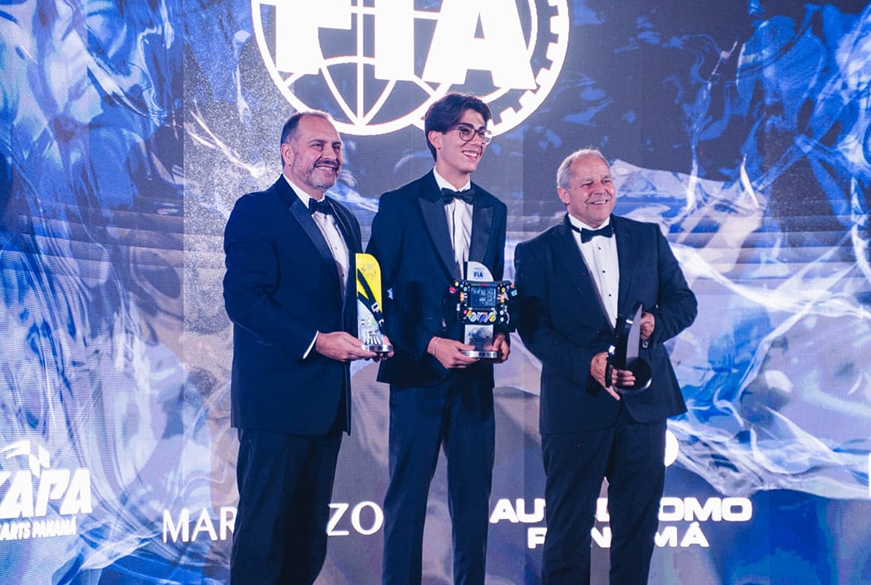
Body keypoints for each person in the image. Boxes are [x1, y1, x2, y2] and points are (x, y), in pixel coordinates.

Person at [514, 148, 698, 585]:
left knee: (637, 529)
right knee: (566, 530)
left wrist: (655, 324)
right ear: (564, 193)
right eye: (587, 184)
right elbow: (533, 328)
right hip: (576, 406)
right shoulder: (537, 252)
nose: (600, 191)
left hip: (643, 408)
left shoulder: (647, 238)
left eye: (606, 181)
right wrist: (588, 363)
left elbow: (683, 303)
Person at [223, 111, 384, 585]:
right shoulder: (256, 210)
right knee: (263, 537)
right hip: (274, 404)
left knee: (309, 538)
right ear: (287, 152)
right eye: (318, 146)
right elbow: (244, 302)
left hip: (326, 405)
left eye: (336, 148)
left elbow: (348, 301)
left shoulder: (345, 219)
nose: (331, 156)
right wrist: (317, 342)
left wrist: (372, 335)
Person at [367, 92, 509, 585]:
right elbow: (374, 297)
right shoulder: (399, 205)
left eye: (482, 133)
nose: (477, 142)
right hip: (418, 373)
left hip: (474, 378)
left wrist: (500, 334)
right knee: (407, 499)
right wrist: (429, 343)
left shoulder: (494, 208)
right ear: (436, 138)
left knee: (473, 503)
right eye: (466, 131)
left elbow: (489, 284)